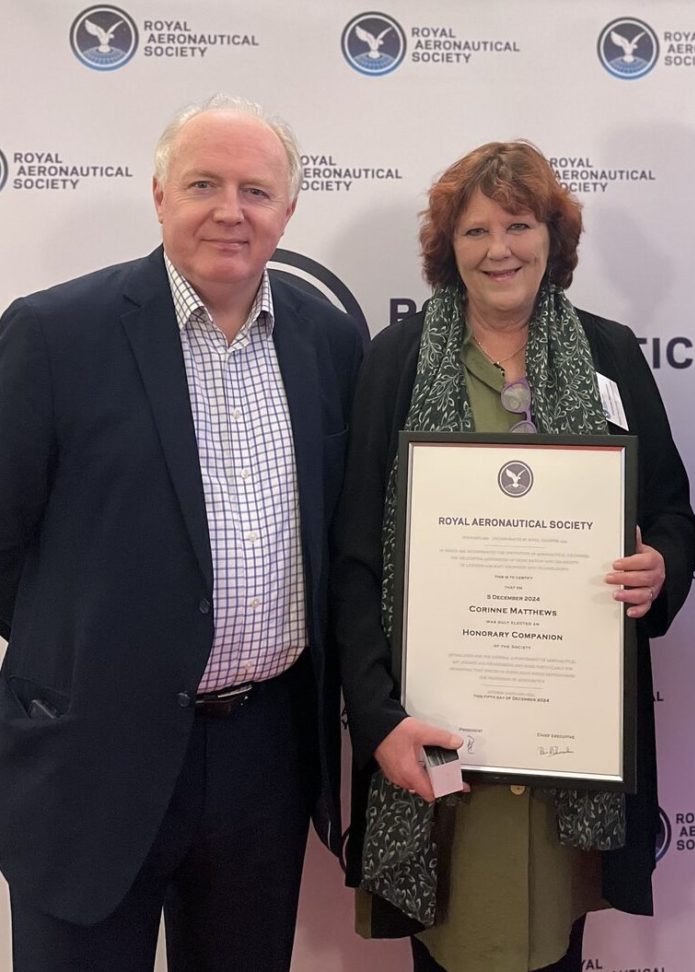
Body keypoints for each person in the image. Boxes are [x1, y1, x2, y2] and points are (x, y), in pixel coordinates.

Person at [0, 94, 364, 971]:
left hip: (263, 753)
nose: (229, 211)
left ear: (288, 211)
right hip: (92, 752)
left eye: (255, 189)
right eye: (203, 183)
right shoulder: (54, 333)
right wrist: (81, 667)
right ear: (160, 194)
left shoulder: (328, 340)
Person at [334, 140, 695, 971]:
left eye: (519, 224)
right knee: (451, 938)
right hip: (433, 741)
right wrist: (379, 719)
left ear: (552, 237)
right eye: (474, 232)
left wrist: (661, 567)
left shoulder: (609, 354)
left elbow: (673, 514)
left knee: (550, 942)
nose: (499, 249)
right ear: (446, 248)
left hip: (564, 747)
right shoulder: (396, 362)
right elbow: (356, 557)